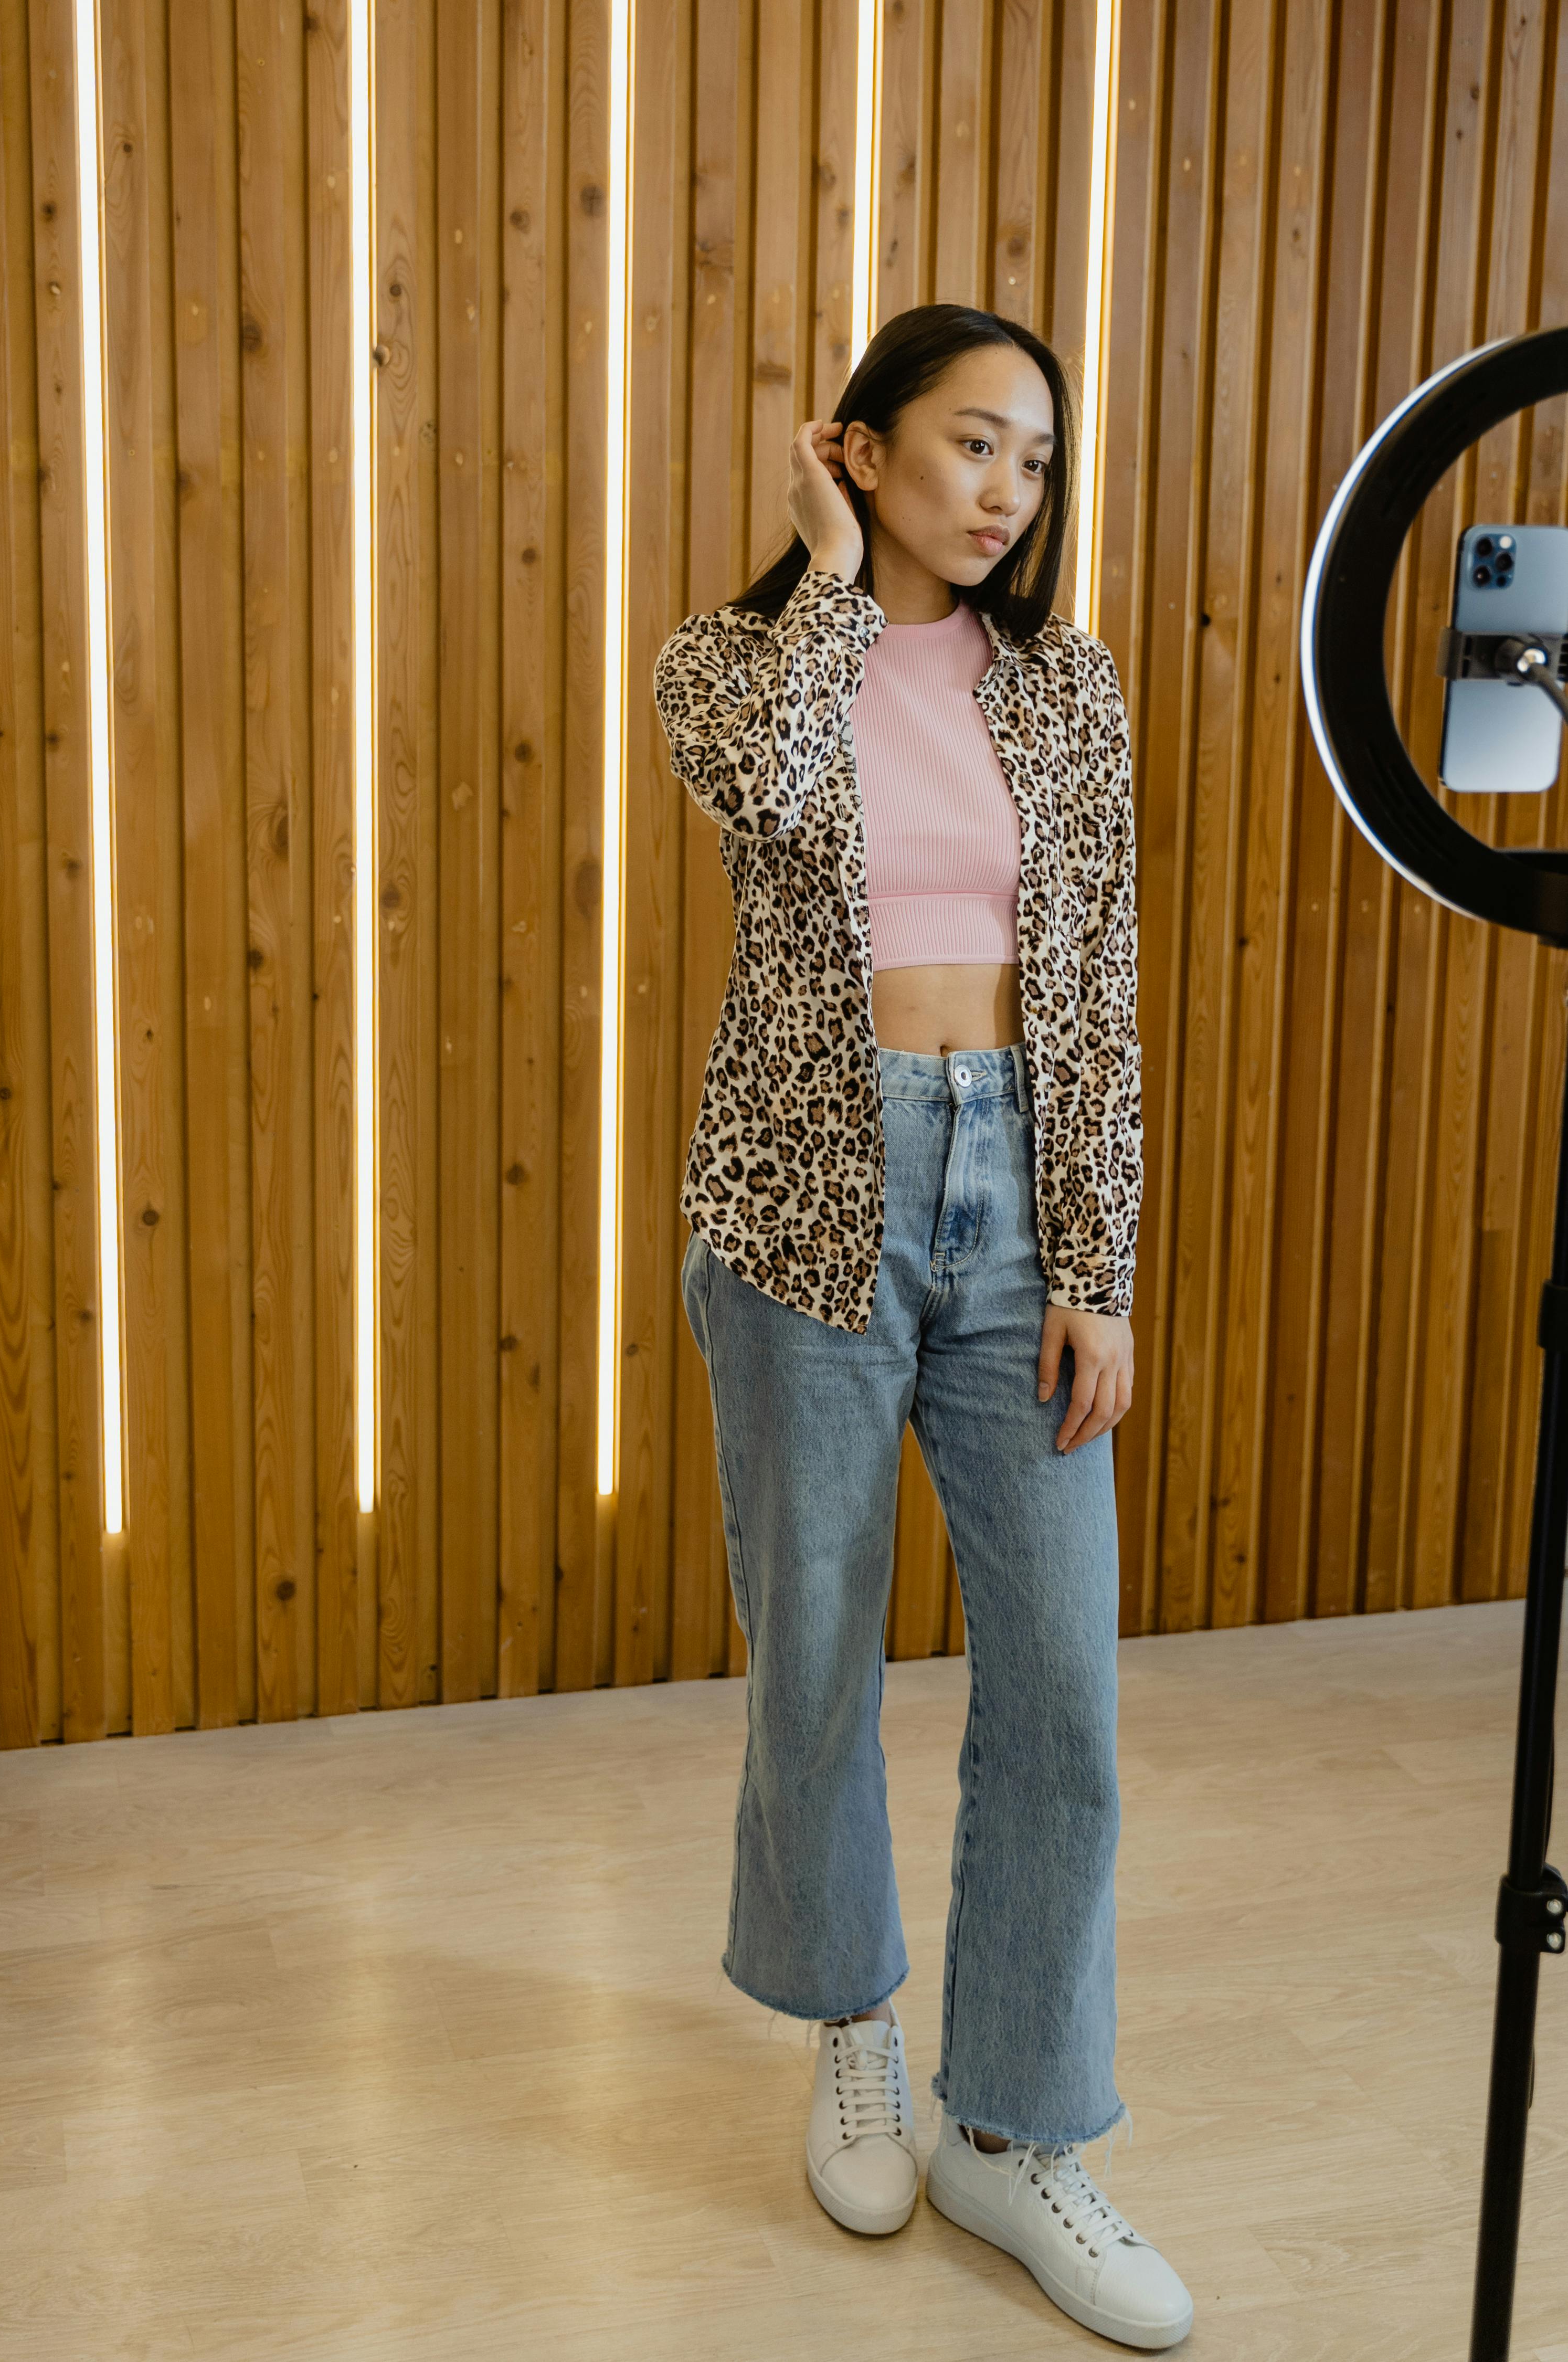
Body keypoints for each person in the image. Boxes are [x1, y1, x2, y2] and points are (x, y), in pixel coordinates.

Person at [654, 304, 1192, 2351]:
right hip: (807, 1207)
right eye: (973, 444)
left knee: (1061, 1681)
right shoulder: (734, 662)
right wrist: (811, 563)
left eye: (1035, 461)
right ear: (860, 447)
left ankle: (1022, 2123)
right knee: (817, 1647)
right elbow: (776, 792)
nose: (1008, 491)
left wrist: (1101, 1263)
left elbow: (1106, 989)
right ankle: (852, 2025)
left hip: (1014, 1191)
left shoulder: (1067, 691)